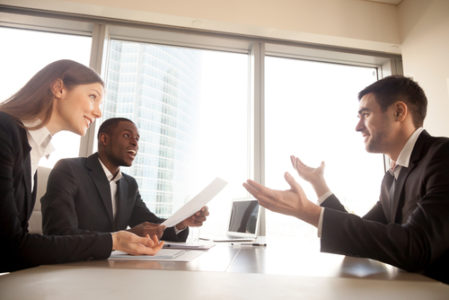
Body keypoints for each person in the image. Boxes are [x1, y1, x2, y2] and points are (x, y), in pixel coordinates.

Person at [243, 75, 449, 283]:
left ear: (398, 112)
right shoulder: (391, 178)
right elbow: (361, 234)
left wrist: (308, 211)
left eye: (365, 114)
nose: (358, 127)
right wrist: (318, 184)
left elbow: (417, 248)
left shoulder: (443, 156)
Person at [0, 60, 163, 273]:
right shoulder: (5, 132)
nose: (98, 113)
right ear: (59, 88)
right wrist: (113, 241)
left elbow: (15, 246)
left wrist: (116, 241)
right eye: (92, 97)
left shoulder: (29, 151)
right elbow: (10, 249)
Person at [41, 117, 209, 240]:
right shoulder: (69, 170)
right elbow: (59, 234)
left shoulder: (129, 184)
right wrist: (125, 237)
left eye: (137, 139)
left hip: (113, 269)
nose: (135, 143)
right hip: (74, 269)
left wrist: (182, 222)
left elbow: (151, 226)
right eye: (127, 136)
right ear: (104, 139)